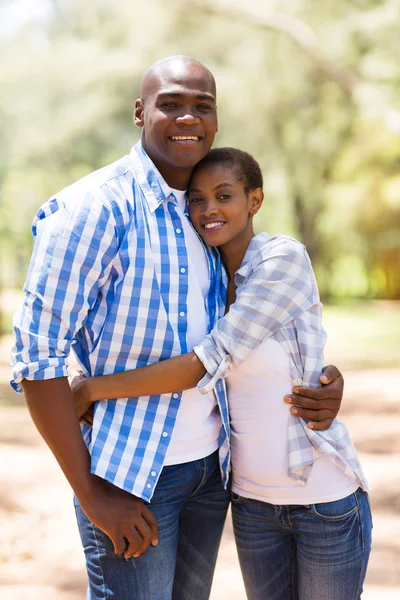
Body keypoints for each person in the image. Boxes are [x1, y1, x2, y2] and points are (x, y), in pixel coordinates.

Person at [11, 56, 345, 600]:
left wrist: (326, 379)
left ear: (216, 121)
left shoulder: (206, 216)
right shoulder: (94, 207)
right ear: (141, 112)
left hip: (211, 472)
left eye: (202, 106)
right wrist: (92, 493)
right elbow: (36, 360)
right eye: (171, 103)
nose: (187, 116)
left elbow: (252, 332)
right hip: (132, 476)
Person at [73, 147, 372, 600]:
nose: (209, 209)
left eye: (224, 195)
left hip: (321, 497)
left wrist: (93, 389)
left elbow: (209, 360)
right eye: (196, 199)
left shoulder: (281, 260)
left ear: (255, 200)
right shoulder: (205, 273)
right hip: (251, 505)